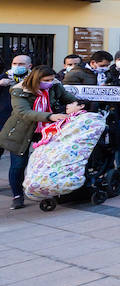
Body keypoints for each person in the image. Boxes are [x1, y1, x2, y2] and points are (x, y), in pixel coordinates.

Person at [2, 66, 81, 209]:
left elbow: (69, 99)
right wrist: (50, 116)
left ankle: (47, 189)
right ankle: (17, 195)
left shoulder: (55, 86)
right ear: (36, 79)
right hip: (20, 130)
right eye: (46, 80)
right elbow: (23, 112)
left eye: (52, 79)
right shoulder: (19, 90)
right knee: (18, 165)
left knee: (48, 161)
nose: (50, 82)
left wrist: (80, 106)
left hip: (47, 129)